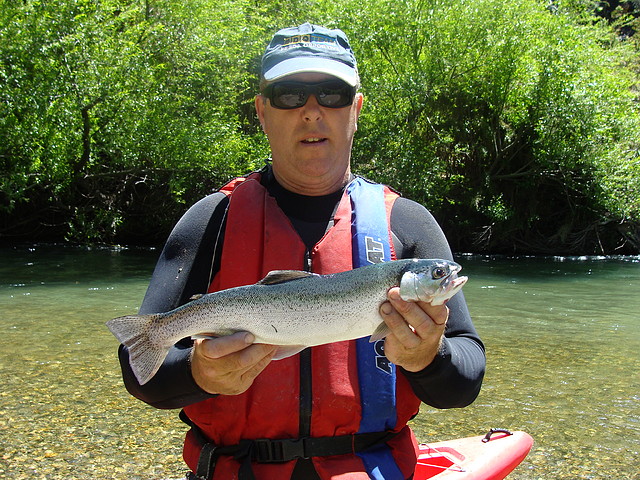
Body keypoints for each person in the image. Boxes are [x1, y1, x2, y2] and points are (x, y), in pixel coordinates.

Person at [117, 23, 485, 480]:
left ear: (356, 108)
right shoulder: (209, 221)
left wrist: (428, 357)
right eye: (289, 94)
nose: (311, 111)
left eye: (331, 93)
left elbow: (466, 380)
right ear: (261, 111)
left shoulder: (407, 224)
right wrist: (198, 373)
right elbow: (140, 372)